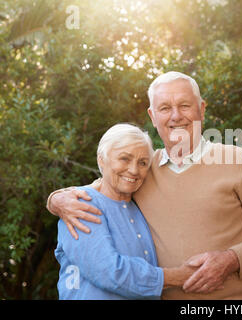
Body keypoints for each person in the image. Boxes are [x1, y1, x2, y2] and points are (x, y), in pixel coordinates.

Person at [47, 71, 242, 299]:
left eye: (184, 105)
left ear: (201, 109)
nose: (176, 116)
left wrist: (231, 259)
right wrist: (57, 200)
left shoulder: (237, 160)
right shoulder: (142, 167)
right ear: (153, 117)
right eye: (165, 108)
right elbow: (101, 188)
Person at [55, 123, 196, 299]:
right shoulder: (81, 204)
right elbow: (108, 271)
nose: (134, 170)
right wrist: (178, 276)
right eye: (124, 159)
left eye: (143, 163)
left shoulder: (141, 206)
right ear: (101, 160)